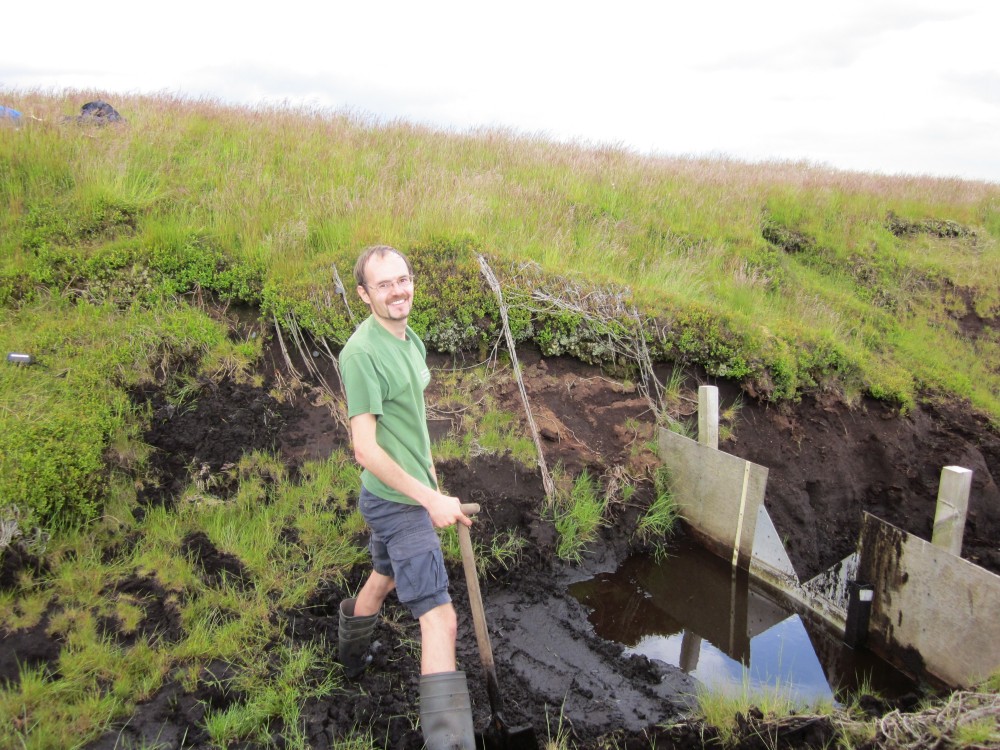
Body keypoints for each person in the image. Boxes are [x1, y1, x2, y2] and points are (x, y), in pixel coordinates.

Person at [337, 245, 476, 750]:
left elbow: (412, 424)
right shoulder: (361, 354)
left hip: (409, 492)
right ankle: (449, 743)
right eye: (384, 284)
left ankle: (350, 657)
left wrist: (434, 485)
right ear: (363, 294)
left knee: (384, 576)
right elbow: (364, 448)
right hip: (396, 503)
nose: (398, 291)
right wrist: (427, 500)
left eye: (404, 279)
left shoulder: (409, 338)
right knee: (441, 619)